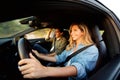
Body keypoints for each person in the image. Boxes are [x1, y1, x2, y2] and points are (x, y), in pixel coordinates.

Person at [18, 23, 99, 80]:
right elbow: (59, 58)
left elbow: (79, 69)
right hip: (62, 71)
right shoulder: (71, 46)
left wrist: (44, 70)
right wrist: (39, 55)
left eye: (75, 30)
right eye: (71, 30)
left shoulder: (92, 50)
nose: (71, 33)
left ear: (83, 32)